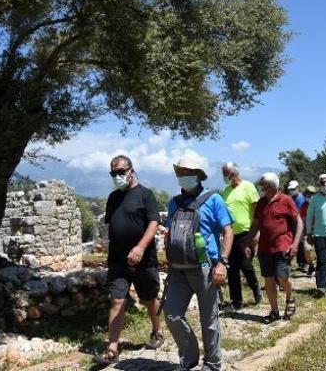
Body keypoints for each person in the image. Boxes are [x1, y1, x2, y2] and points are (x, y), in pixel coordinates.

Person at [164, 154, 234, 371]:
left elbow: (228, 232)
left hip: (205, 269)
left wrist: (222, 263)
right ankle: (190, 356)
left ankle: (213, 364)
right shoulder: (173, 203)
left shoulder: (214, 199)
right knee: (172, 314)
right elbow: (169, 232)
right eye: (180, 172)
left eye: (187, 172)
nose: (182, 176)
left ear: (197, 175)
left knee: (209, 320)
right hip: (178, 270)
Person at [95, 155, 163, 365]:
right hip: (118, 261)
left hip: (143, 260)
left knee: (148, 299)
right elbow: (114, 224)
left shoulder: (145, 195)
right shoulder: (113, 197)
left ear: (131, 171)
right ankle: (112, 348)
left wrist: (140, 247)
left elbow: (154, 223)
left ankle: (157, 331)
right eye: (113, 173)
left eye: (121, 172)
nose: (117, 176)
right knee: (117, 300)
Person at [250, 172, 303, 324]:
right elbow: (256, 224)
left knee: (282, 277)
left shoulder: (286, 200)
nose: (262, 189)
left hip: (282, 245)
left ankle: (290, 297)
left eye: (264, 186)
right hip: (264, 248)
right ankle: (274, 311)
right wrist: (249, 241)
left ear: (272, 186)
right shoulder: (261, 203)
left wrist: (295, 244)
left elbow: (298, 222)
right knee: (268, 280)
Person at [221, 162, 262, 311]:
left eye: (226, 174)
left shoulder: (248, 187)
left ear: (233, 174)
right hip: (230, 234)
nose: (224, 177)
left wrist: (256, 232)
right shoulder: (226, 191)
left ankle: (256, 288)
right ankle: (236, 301)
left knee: (245, 265)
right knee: (231, 269)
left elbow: (257, 211)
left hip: (246, 233)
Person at [287, 180, 307, 271]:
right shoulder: (291, 198)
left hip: (300, 224)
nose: (292, 190)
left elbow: (299, 214)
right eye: (290, 189)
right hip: (292, 224)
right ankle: (299, 263)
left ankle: (303, 263)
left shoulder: (300, 199)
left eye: (293, 189)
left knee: (301, 243)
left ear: (297, 188)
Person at [299, 185, 317, 275]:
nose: (310, 196)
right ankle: (311, 264)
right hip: (307, 231)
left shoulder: (319, 204)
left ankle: (320, 269)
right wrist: (301, 232)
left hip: (319, 231)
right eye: (308, 194)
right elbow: (301, 219)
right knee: (306, 249)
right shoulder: (304, 206)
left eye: (312, 194)